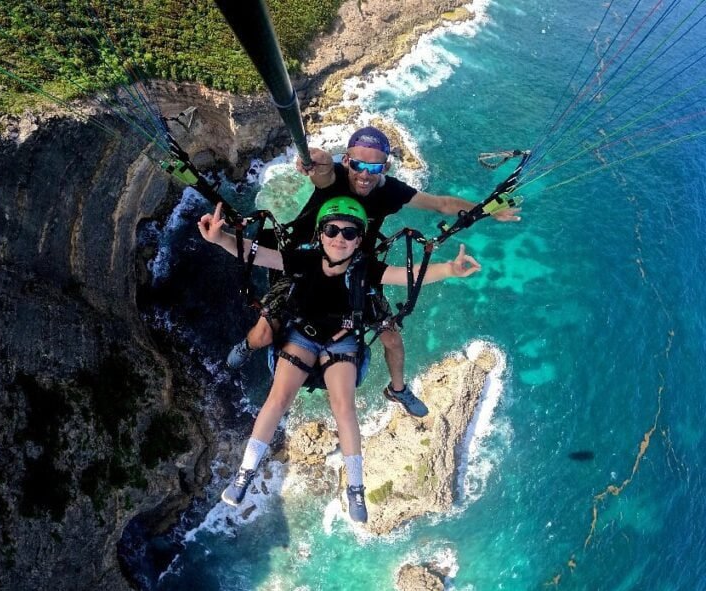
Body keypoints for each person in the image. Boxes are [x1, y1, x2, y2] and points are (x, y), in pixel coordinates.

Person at [198, 197, 481, 523]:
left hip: (342, 341)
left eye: (349, 233)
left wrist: (449, 269)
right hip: (303, 335)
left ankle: (356, 487)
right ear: (320, 234)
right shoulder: (302, 260)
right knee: (278, 398)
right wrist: (218, 237)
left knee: (344, 407)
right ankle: (245, 473)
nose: (339, 238)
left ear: (359, 240)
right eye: (331, 230)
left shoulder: (367, 269)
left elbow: (410, 274)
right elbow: (255, 253)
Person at [226, 126, 520, 418]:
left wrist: (487, 210)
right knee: (264, 332)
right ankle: (247, 344)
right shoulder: (334, 178)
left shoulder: (390, 191)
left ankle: (398, 389)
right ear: (346, 161)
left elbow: (441, 204)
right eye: (357, 164)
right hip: (302, 262)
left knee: (391, 338)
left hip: (357, 269)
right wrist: (316, 160)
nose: (364, 174)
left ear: (386, 166)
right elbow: (321, 170)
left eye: (374, 166)